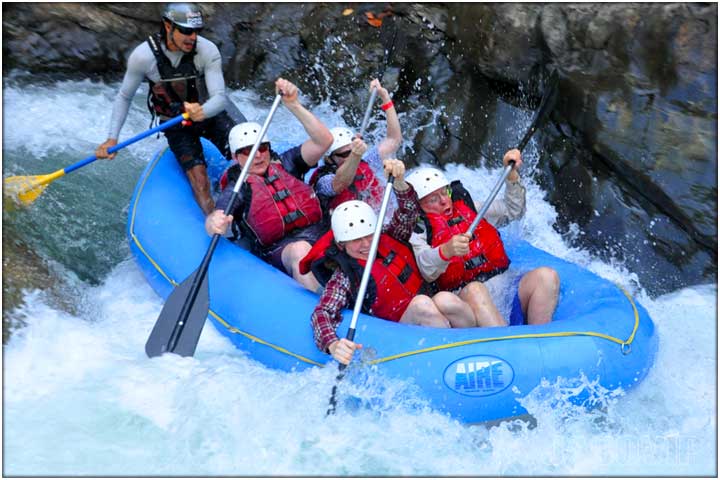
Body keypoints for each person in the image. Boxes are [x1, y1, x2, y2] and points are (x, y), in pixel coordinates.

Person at [299, 159, 499, 365]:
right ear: (342, 245)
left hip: (432, 311)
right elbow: (323, 313)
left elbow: (408, 211)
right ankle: (455, 360)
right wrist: (332, 344)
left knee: (445, 299)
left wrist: (400, 182)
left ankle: (483, 348)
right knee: (422, 304)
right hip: (401, 328)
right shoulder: (345, 276)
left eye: (369, 235)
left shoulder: (389, 236)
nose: (366, 244)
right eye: (356, 240)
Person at [95, 2, 245, 216]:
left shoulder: (207, 50)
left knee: (247, 156)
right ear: (168, 26)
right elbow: (124, 96)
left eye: (195, 31)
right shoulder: (143, 56)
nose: (192, 37)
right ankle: (219, 227)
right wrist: (112, 138)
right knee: (200, 183)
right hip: (176, 124)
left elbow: (220, 98)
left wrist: (201, 112)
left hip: (210, 114)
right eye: (185, 31)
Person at [205, 78, 333, 293]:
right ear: (236, 157)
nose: (258, 156)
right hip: (281, 249)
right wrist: (213, 222)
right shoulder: (239, 187)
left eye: (262, 148)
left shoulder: (286, 163)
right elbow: (217, 215)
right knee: (301, 251)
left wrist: (294, 105)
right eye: (248, 151)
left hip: (321, 235)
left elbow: (324, 141)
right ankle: (319, 310)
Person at [406, 150, 560, 327]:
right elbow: (425, 268)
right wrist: (446, 250)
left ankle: (539, 340)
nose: (444, 201)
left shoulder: (472, 209)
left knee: (547, 276)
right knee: (475, 289)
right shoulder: (418, 232)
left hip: (505, 287)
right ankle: (507, 347)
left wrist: (511, 177)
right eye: (433, 199)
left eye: (445, 192)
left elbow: (513, 211)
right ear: (419, 207)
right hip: (465, 298)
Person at [309, 78, 402, 215]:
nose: (351, 155)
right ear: (329, 159)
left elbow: (393, 139)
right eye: (345, 154)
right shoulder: (324, 180)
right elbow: (340, 184)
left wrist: (385, 98)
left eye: (352, 150)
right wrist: (355, 155)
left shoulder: (366, 162)